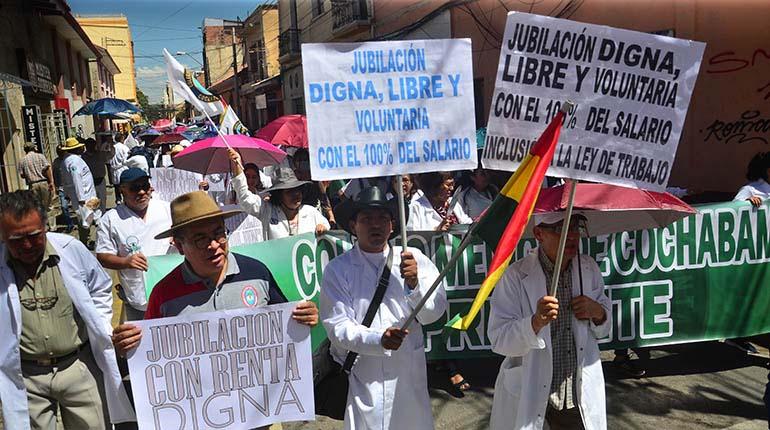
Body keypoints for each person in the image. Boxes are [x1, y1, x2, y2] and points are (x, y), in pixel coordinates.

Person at [110, 191, 318, 429]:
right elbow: (150, 355)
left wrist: (306, 317)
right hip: (199, 419)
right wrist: (127, 346)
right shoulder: (164, 294)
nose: (214, 245)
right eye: (200, 239)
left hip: (258, 415)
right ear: (179, 245)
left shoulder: (257, 273)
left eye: (219, 233)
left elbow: (285, 328)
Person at [0, 190, 135, 429]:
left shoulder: (70, 249)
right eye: (16, 239)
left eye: (34, 235)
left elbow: (100, 287)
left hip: (78, 366)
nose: (27, 245)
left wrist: (102, 325)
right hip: (25, 375)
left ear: (45, 226)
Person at [320, 186, 447, 430]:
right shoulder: (338, 269)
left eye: (382, 218)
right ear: (353, 225)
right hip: (364, 379)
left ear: (392, 225)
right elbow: (337, 327)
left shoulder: (413, 259)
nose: (375, 225)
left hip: (407, 376)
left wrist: (414, 284)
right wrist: (378, 340)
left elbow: (433, 314)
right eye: (367, 219)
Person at [488, 212, 611, 430]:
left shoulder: (588, 268)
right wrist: (534, 324)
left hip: (575, 396)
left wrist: (598, 313)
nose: (572, 236)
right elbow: (499, 339)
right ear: (538, 234)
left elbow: (603, 329)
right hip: (531, 392)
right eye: (561, 229)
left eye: (575, 227)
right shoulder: (515, 276)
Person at [96, 168, 173, 322]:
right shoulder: (111, 219)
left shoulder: (167, 209)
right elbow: (103, 256)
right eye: (135, 188)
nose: (142, 192)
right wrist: (126, 262)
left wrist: (179, 237)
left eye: (145, 186)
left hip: (173, 292)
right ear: (122, 190)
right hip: (138, 298)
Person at [228, 148, 329, 239]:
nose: (296, 195)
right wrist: (237, 167)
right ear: (279, 195)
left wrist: (322, 227)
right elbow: (245, 197)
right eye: (289, 192)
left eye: (297, 190)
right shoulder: (267, 211)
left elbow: (326, 225)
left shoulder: (310, 211)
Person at [59, 137, 101, 245]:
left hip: (85, 193)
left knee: (89, 217)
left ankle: (88, 239)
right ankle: (86, 241)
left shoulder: (67, 160)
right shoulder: (73, 161)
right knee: (86, 218)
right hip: (84, 195)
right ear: (76, 149)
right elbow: (76, 179)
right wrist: (81, 197)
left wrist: (67, 194)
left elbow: (64, 180)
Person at [407, 171, 472, 231]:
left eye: (453, 184)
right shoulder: (415, 208)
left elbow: (466, 223)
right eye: (448, 185)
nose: (452, 188)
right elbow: (413, 236)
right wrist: (436, 231)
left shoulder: (452, 202)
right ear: (434, 186)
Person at [17, 142, 55, 210]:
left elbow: (22, 175)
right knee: (47, 206)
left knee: (36, 207)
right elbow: (47, 169)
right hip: (43, 183)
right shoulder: (40, 156)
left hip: (32, 185)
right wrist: (51, 182)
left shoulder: (22, 161)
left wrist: (29, 173)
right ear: (34, 148)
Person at [82, 137, 113, 213]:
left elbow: (110, 155)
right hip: (90, 181)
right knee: (92, 200)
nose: (91, 147)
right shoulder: (83, 157)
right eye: (89, 145)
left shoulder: (100, 154)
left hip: (100, 180)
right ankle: (94, 216)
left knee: (102, 199)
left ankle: (103, 214)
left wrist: (110, 145)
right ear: (86, 146)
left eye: (92, 145)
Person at [52, 146, 75, 232]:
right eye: (58, 152)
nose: (60, 153)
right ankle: (70, 224)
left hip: (72, 186)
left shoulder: (70, 160)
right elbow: (54, 174)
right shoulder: (56, 162)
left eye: (61, 151)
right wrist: (55, 186)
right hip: (62, 188)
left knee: (77, 206)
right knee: (64, 206)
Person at [109, 133, 130, 204]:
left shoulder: (112, 147)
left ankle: (118, 199)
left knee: (116, 186)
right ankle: (125, 199)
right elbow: (127, 159)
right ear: (122, 139)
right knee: (124, 185)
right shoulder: (124, 148)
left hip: (114, 169)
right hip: (122, 168)